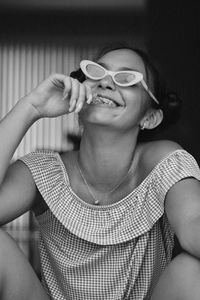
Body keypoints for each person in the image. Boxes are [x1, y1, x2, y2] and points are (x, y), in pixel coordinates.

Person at [0, 43, 200, 300]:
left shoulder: (163, 162)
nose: (106, 83)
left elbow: (194, 222)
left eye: (127, 78)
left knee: (193, 271)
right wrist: (31, 108)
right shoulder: (46, 170)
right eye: (96, 73)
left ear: (149, 118)